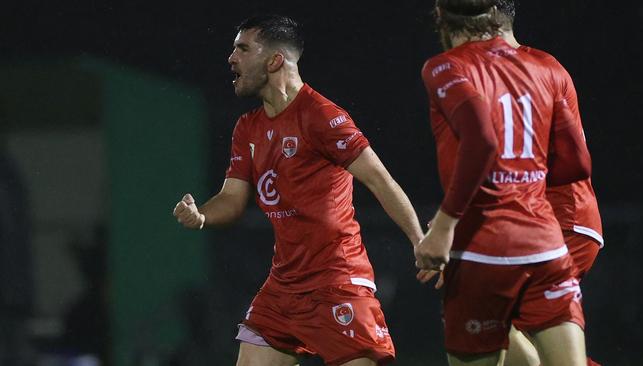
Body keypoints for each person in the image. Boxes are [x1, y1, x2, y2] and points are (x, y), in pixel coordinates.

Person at [173, 14, 424, 366]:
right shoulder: (247, 128)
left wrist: (419, 240)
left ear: (275, 60)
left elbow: (380, 180)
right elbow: (231, 199)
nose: (231, 59)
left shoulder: (320, 116)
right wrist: (202, 216)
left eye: (243, 49)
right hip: (283, 289)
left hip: (337, 283)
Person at [415, 0, 593, 365]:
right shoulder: (547, 66)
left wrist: (446, 225)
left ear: (441, 20)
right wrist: (523, 184)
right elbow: (577, 163)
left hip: (484, 247)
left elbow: (481, 140)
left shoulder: (445, 66)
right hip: (547, 244)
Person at [490, 2, 604, 366]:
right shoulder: (543, 64)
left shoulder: (509, 71)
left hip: (558, 222)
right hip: (562, 220)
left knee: (483, 318)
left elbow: (516, 165)